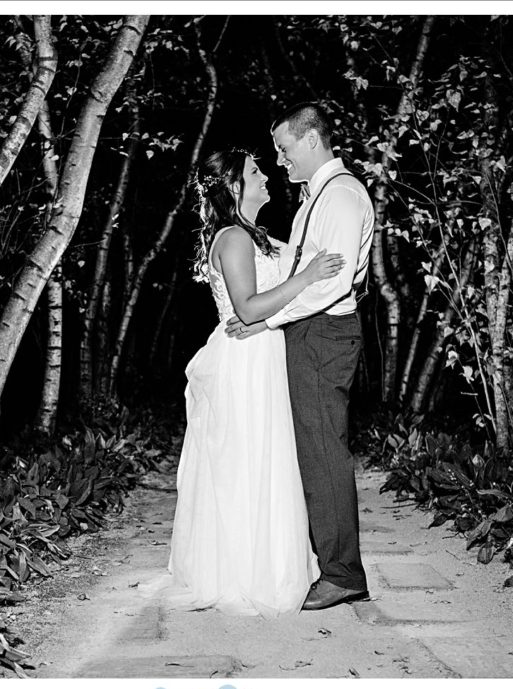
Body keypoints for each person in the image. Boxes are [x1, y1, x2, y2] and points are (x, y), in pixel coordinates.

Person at [157, 148, 344, 617]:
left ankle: (272, 563)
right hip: (243, 364)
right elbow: (248, 308)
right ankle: (244, 572)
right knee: (246, 464)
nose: (266, 176)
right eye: (255, 171)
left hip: (265, 353)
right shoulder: (233, 238)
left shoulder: (257, 236)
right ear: (234, 186)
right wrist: (304, 278)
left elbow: (266, 310)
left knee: (271, 461)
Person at [226, 102, 375, 610]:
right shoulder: (319, 196)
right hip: (310, 331)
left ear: (311, 140)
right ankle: (328, 560)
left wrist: (264, 320)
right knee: (311, 449)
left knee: (323, 450)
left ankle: (342, 573)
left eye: (284, 149)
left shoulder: (344, 197)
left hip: (324, 331)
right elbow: (301, 266)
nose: (281, 161)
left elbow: (330, 285)